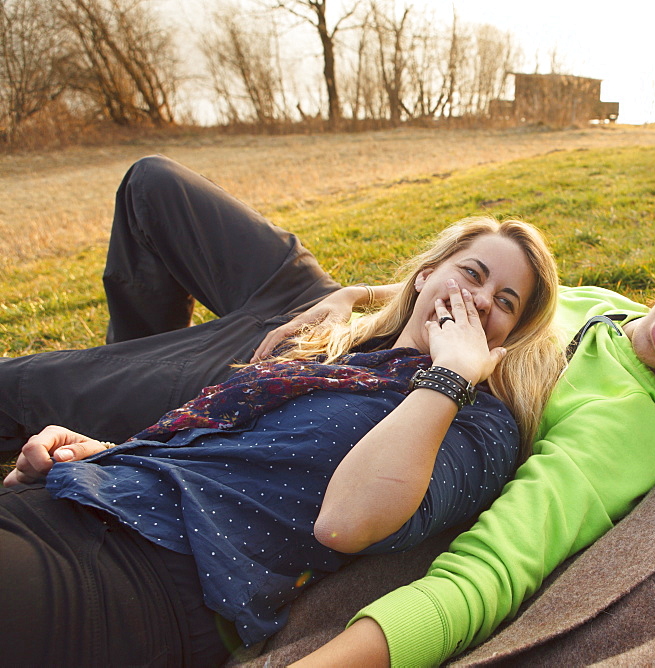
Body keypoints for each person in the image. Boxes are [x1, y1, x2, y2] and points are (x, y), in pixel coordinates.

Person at [0, 157, 655, 666]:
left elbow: (493, 572)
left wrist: (347, 656)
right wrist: (364, 297)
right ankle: (151, 427)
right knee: (155, 187)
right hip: (347, 323)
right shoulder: (616, 307)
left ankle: (145, 408)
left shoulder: (619, 432)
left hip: (350, 399)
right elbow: (489, 287)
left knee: (21, 390)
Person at [0, 167, 564, 666]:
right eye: (472, 273)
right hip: (87, 500)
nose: (483, 299)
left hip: (147, 575)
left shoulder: (478, 424)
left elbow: (346, 522)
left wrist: (452, 377)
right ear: (425, 275)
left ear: (509, 338)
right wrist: (102, 455)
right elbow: (226, 454)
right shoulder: (348, 353)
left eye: (507, 302)